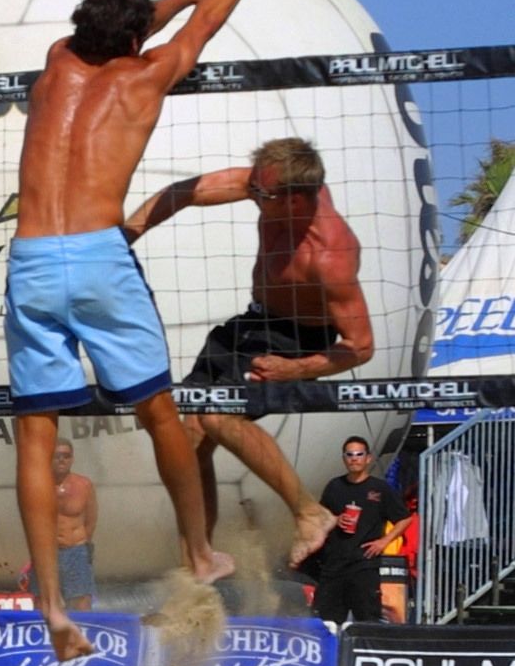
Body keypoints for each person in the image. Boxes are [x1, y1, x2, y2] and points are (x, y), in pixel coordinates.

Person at [7, 0, 287, 660]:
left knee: (36, 436)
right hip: (99, 255)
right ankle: (198, 551)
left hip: (32, 257)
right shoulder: (148, 72)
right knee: (160, 409)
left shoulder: (58, 60)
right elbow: (205, 27)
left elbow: (144, 21)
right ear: (135, 42)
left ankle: (49, 604)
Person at [124, 138, 366, 566]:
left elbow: (360, 347)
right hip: (253, 326)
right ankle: (198, 561)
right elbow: (186, 192)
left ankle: (309, 512)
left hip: (299, 341)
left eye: (261, 192)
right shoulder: (268, 189)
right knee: (191, 432)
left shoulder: (330, 256)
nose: (250, 193)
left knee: (218, 415)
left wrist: (294, 370)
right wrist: (126, 236)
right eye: (252, 184)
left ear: (294, 201)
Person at [312, 436, 411, 625]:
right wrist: (336, 519)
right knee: (326, 622)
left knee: (367, 619)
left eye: (359, 454)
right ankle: (331, 653)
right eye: (349, 455)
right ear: (344, 459)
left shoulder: (379, 488)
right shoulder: (334, 486)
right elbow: (320, 518)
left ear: (368, 458)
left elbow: (404, 518)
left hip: (364, 565)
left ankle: (366, 653)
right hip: (334, 565)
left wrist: (384, 541)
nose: (354, 459)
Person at [49, 440, 98, 611]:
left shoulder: (84, 485)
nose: (62, 460)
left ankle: (83, 634)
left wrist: (84, 545)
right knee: (43, 601)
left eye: (66, 456)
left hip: (76, 549)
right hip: (48, 552)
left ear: (72, 459)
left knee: (81, 601)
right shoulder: (39, 484)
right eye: (57, 456)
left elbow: (91, 519)